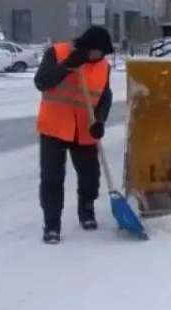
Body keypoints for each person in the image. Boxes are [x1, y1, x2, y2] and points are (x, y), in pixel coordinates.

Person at [33, 25, 115, 244]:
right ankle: (51, 225)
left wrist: (99, 121)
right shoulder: (57, 53)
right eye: (97, 51)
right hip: (55, 127)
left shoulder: (103, 66)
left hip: (84, 128)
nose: (99, 56)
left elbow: (105, 96)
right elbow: (42, 82)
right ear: (86, 47)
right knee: (52, 178)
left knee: (90, 177)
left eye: (103, 53)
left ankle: (86, 210)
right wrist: (68, 65)